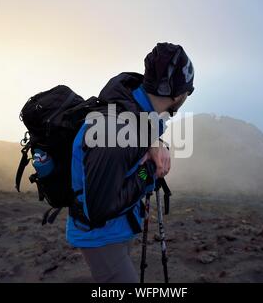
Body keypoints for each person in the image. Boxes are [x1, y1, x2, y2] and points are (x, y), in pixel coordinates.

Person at [66, 42, 195, 283]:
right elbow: (100, 210)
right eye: (189, 90)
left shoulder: (137, 110)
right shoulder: (114, 131)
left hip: (119, 227)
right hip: (100, 236)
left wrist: (157, 145)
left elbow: (141, 138)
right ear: (178, 95)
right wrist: (149, 172)